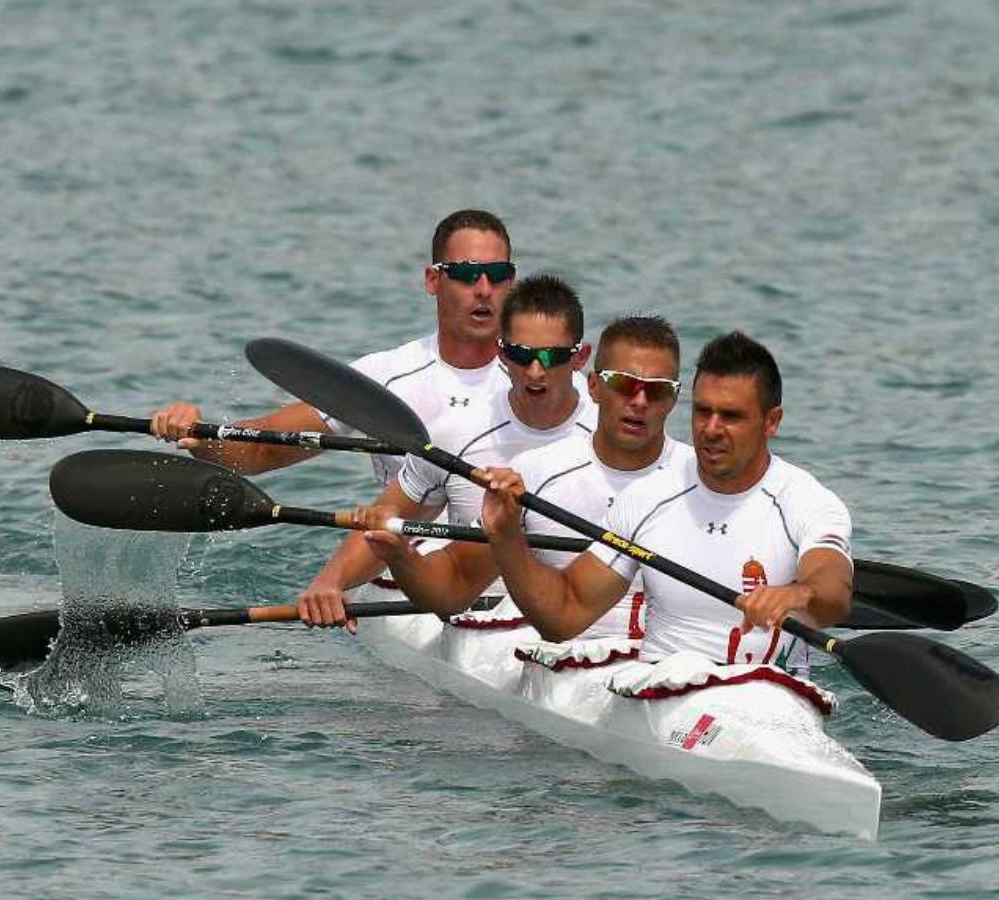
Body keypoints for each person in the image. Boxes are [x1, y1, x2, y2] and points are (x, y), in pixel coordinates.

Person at [477, 331, 852, 675]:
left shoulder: (806, 501)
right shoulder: (648, 498)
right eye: (703, 411)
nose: (711, 429)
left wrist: (800, 593)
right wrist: (506, 536)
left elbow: (833, 590)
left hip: (772, 697)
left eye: (732, 416)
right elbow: (563, 615)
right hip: (665, 691)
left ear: (772, 422)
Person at [360, 315, 693, 641]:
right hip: (566, 655)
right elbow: (454, 587)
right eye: (623, 384)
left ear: (675, 398)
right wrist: (401, 557)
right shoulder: (536, 475)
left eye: (657, 390)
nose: (639, 401)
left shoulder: (699, 480)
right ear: (593, 386)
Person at [298, 274, 598, 630]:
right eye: (521, 354)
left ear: (580, 358)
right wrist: (330, 583)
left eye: (552, 357)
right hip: (477, 610)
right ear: (502, 353)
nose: (535, 371)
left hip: (583, 607)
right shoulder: (455, 434)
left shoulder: (605, 433)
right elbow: (389, 517)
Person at [150, 210, 517, 485]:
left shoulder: (550, 376)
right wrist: (200, 436)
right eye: (467, 274)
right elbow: (264, 450)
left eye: (497, 275)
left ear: (512, 282)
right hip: (405, 572)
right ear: (433, 280)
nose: (484, 288)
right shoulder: (386, 375)